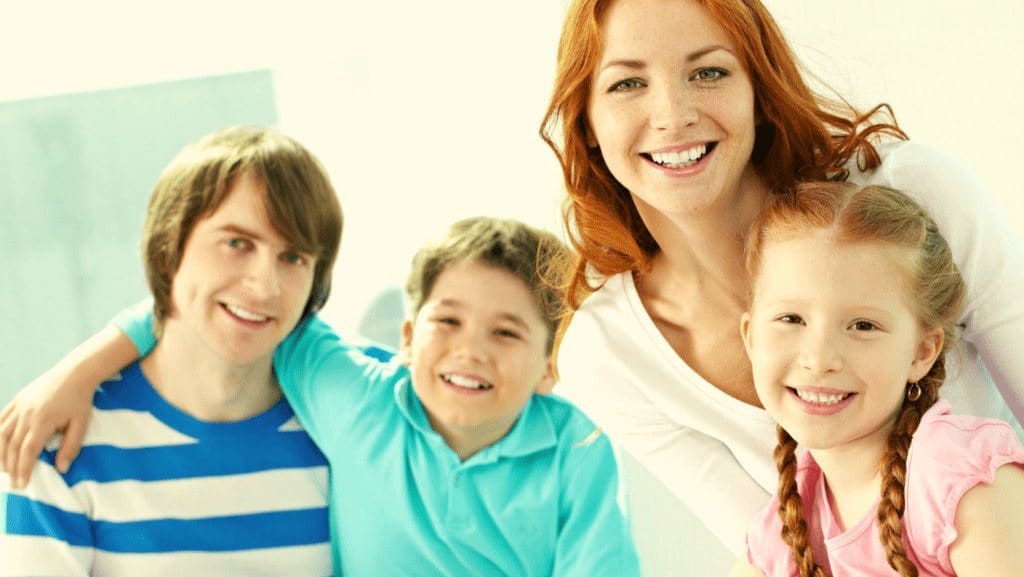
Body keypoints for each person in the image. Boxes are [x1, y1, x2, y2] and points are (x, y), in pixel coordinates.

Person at [539, 0, 1024, 561]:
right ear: (586, 121)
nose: (672, 114)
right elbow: (780, 557)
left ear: (758, 92)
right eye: (626, 84)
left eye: (709, 72)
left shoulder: (912, 197)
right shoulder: (609, 354)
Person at [2, 217, 641, 576]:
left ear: (549, 367)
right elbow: (230, 301)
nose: (469, 350)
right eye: (447, 322)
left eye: (506, 333)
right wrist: (78, 371)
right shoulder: (358, 400)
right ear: (409, 336)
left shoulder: (577, 452)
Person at [0, 125, 343, 575]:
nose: (266, 286)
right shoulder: (58, 444)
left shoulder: (344, 433)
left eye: (293, 257)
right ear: (167, 252)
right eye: (237, 243)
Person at [731, 182, 1024, 576]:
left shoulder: (961, 481)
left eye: (863, 325)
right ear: (750, 337)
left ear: (921, 352)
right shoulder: (783, 528)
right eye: (791, 319)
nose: (819, 359)